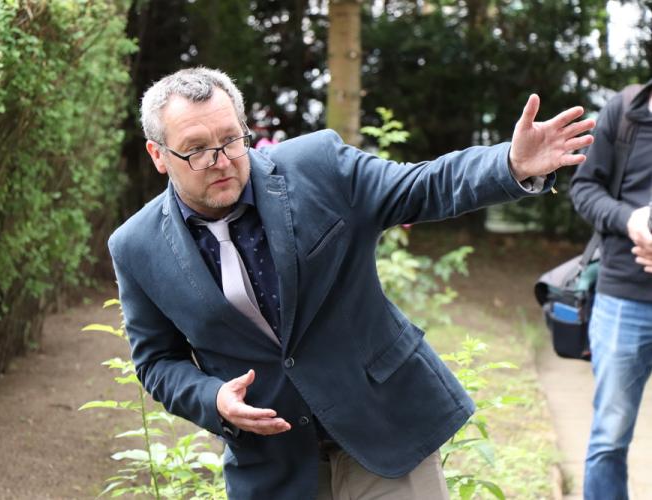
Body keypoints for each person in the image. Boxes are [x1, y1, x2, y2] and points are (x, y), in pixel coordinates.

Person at [109, 67, 594, 500]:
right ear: (158, 154)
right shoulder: (136, 247)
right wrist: (212, 399)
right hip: (275, 467)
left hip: (383, 430)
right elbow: (158, 362)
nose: (221, 160)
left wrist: (509, 164)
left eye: (231, 140)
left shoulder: (318, 166)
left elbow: (420, 186)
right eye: (197, 150)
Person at [570, 78, 652, 500]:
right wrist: (629, 219)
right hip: (624, 301)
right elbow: (584, 188)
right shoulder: (625, 112)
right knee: (610, 438)